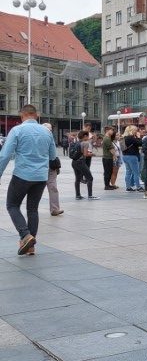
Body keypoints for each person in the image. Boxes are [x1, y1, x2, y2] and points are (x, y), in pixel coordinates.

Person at [0, 104, 58, 254]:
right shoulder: (47, 132)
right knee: (32, 209)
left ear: (22, 115)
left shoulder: (17, 130)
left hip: (22, 175)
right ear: (36, 115)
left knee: (12, 205)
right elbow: (53, 156)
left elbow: (5, 155)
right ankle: (30, 247)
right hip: (41, 177)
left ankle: (25, 235)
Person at [43, 123, 64, 216]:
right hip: (42, 167)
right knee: (36, 188)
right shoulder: (44, 138)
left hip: (50, 167)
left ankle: (55, 209)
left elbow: (54, 154)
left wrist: (56, 165)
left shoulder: (49, 137)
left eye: (50, 130)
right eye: (49, 130)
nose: (50, 132)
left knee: (53, 187)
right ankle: (32, 209)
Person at [71, 130, 98, 200]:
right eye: (88, 136)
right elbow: (85, 154)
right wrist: (92, 154)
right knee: (90, 178)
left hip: (74, 162)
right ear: (85, 136)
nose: (89, 137)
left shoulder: (77, 143)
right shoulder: (85, 143)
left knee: (77, 179)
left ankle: (78, 195)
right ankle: (90, 196)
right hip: (81, 162)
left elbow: (81, 152)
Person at [122, 125, 142, 191]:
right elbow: (140, 143)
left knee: (128, 172)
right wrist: (139, 137)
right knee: (136, 172)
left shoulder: (124, 137)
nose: (136, 131)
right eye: (135, 130)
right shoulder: (131, 137)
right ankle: (138, 187)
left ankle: (128, 187)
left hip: (125, 156)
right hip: (132, 156)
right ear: (131, 130)